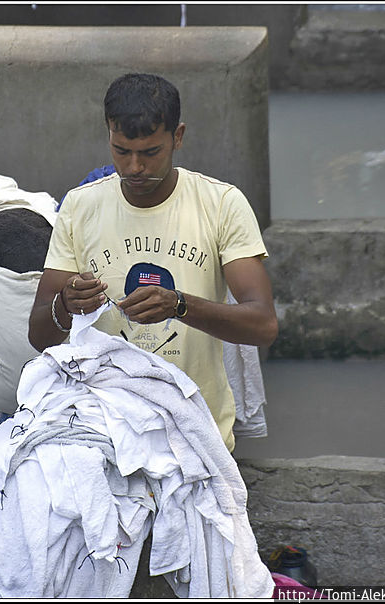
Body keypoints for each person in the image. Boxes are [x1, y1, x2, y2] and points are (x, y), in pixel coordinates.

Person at [28, 73, 278, 452]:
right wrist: (67, 303)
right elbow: (39, 336)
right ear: (108, 135)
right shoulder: (80, 206)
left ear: (177, 137)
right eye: (121, 151)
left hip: (196, 433)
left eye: (149, 153)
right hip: (107, 427)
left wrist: (178, 305)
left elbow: (263, 325)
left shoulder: (222, 203)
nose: (134, 168)